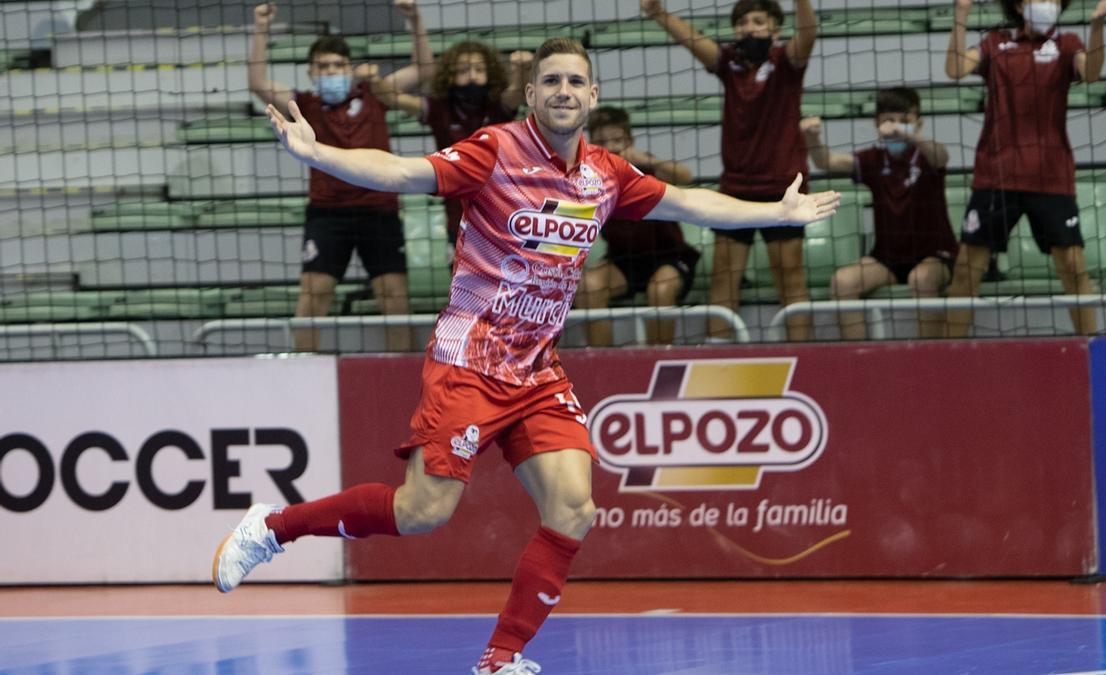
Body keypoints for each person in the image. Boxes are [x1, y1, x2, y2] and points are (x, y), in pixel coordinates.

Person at [212, 38, 839, 674]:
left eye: (576, 81)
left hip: (536, 370)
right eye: (552, 81)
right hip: (469, 361)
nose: (564, 90)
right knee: (422, 513)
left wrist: (777, 212)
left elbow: (690, 202)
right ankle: (275, 527)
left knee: (574, 508)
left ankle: (500, 657)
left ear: (592, 97)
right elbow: (404, 172)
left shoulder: (606, 174)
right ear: (532, 93)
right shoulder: (495, 150)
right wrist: (319, 152)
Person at [248, 0, 433, 352]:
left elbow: (423, 69)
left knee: (394, 298)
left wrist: (415, 19)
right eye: (323, 66)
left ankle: (403, 372)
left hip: (378, 209)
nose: (331, 71)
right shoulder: (303, 104)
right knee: (313, 295)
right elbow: (257, 82)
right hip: (327, 212)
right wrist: (261, 27)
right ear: (311, 73)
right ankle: (304, 368)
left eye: (338, 65)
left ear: (349, 68)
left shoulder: (375, 94)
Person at [642, 0, 819, 342]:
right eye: (741, 22)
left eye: (757, 21)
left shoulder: (786, 62)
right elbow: (693, 41)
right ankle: (716, 352)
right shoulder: (730, 63)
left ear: (775, 29)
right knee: (724, 277)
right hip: (736, 188)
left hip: (784, 188)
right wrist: (658, 13)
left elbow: (809, 33)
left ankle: (806, 356)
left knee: (791, 277)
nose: (748, 28)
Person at [944, 0, 1106, 336]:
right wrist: (961, 14)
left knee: (1073, 269)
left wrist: (1097, 26)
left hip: (1050, 177)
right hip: (997, 175)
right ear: (1020, 5)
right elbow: (954, 68)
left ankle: (1092, 351)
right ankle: (951, 356)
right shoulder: (995, 43)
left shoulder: (1067, 45)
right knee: (966, 271)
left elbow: (1091, 72)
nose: (1046, 4)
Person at [802, 87, 959, 339]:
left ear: (918, 124)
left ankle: (930, 355)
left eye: (904, 121)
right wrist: (812, 139)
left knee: (921, 280)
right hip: (888, 258)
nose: (896, 127)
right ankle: (860, 361)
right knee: (842, 283)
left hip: (935, 255)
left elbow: (942, 156)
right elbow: (826, 162)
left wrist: (907, 134)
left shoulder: (926, 155)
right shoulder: (873, 160)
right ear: (877, 125)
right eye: (888, 121)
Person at [367, 42, 533, 261]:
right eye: (464, 70)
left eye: (479, 70)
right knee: (462, 283)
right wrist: (374, 80)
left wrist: (522, 68)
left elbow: (517, 92)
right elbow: (393, 98)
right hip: (458, 213)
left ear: (490, 74)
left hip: (501, 209)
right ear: (450, 75)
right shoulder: (439, 108)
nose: (472, 76)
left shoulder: (496, 105)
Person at [576, 105, 700, 346]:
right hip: (624, 261)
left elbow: (686, 177)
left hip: (669, 257)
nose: (611, 147)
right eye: (602, 141)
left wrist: (645, 160)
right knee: (588, 287)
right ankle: (602, 367)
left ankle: (658, 361)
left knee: (660, 290)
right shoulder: (591, 180)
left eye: (618, 140)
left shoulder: (648, 169)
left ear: (630, 141)